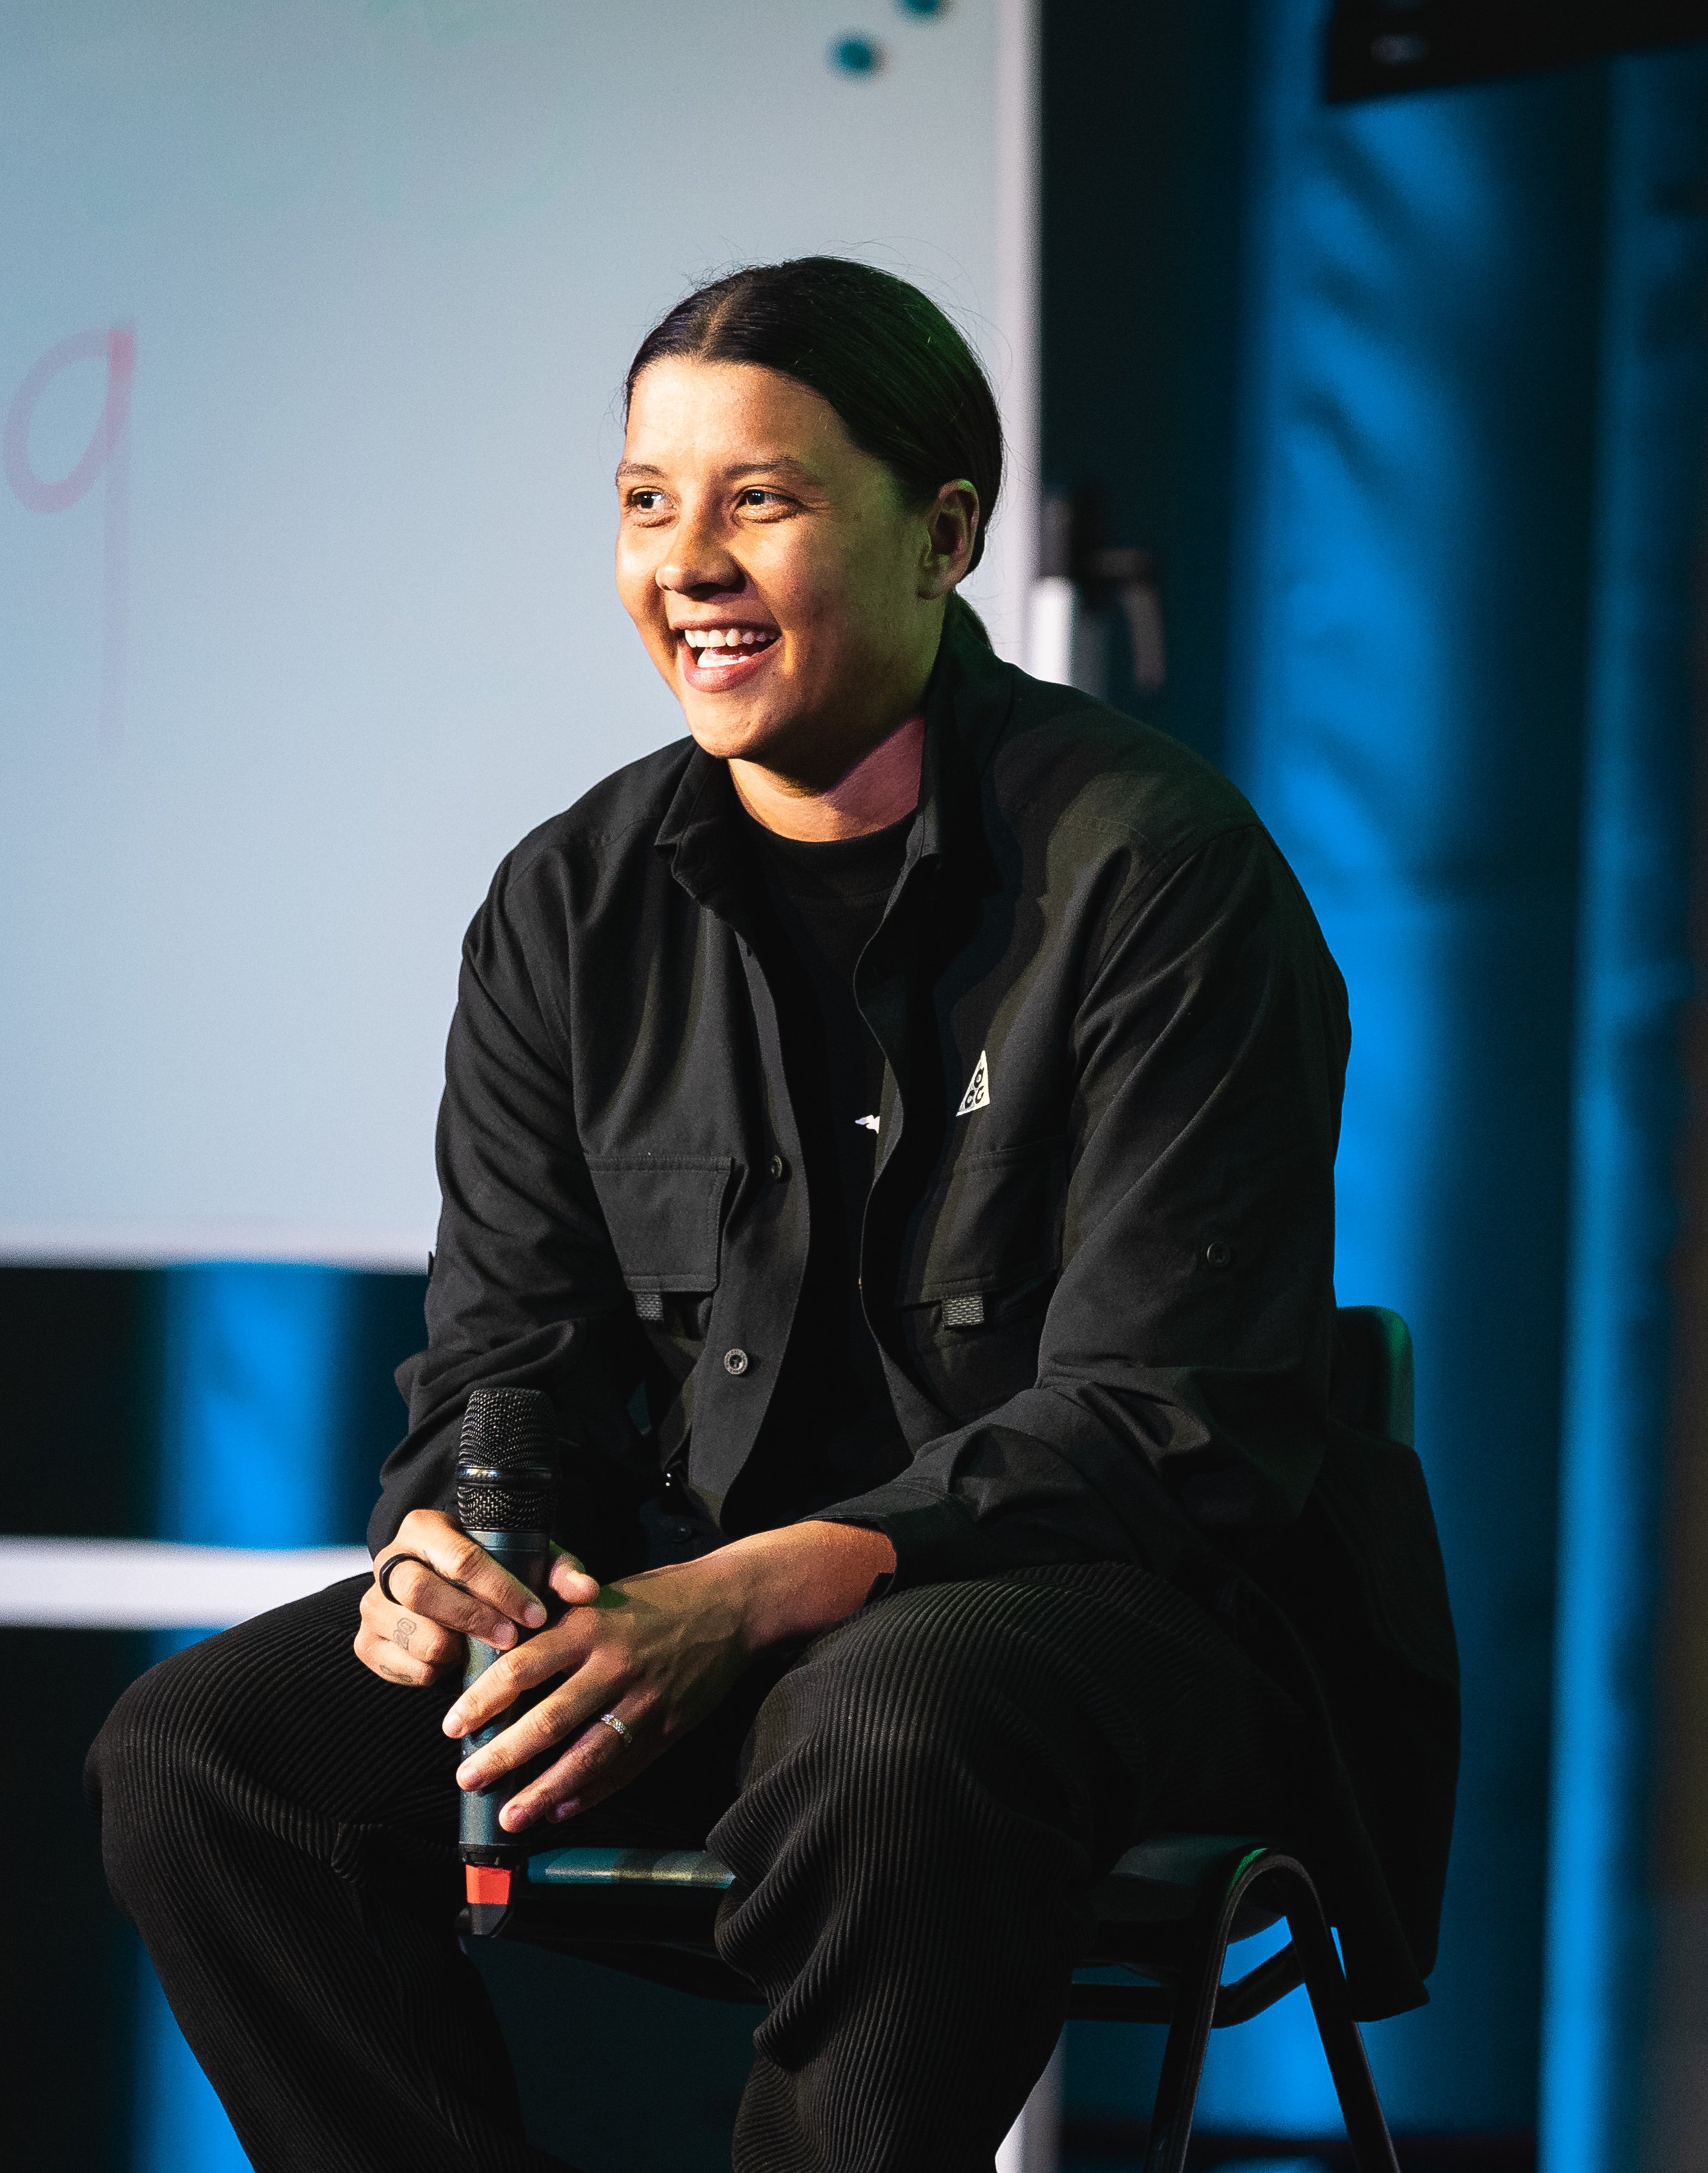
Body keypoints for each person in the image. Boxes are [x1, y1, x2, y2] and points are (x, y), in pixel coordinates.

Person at [88, 257, 1458, 2173]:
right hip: (696, 1609)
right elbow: (512, 1355)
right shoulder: (573, 902)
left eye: (766, 498)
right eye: (649, 502)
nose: (690, 563)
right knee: (206, 1762)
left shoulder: (1150, 873)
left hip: (1101, 1630)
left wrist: (758, 1589)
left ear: (943, 535)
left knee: (879, 1727)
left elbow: (1168, 1424)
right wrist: (456, 1548)